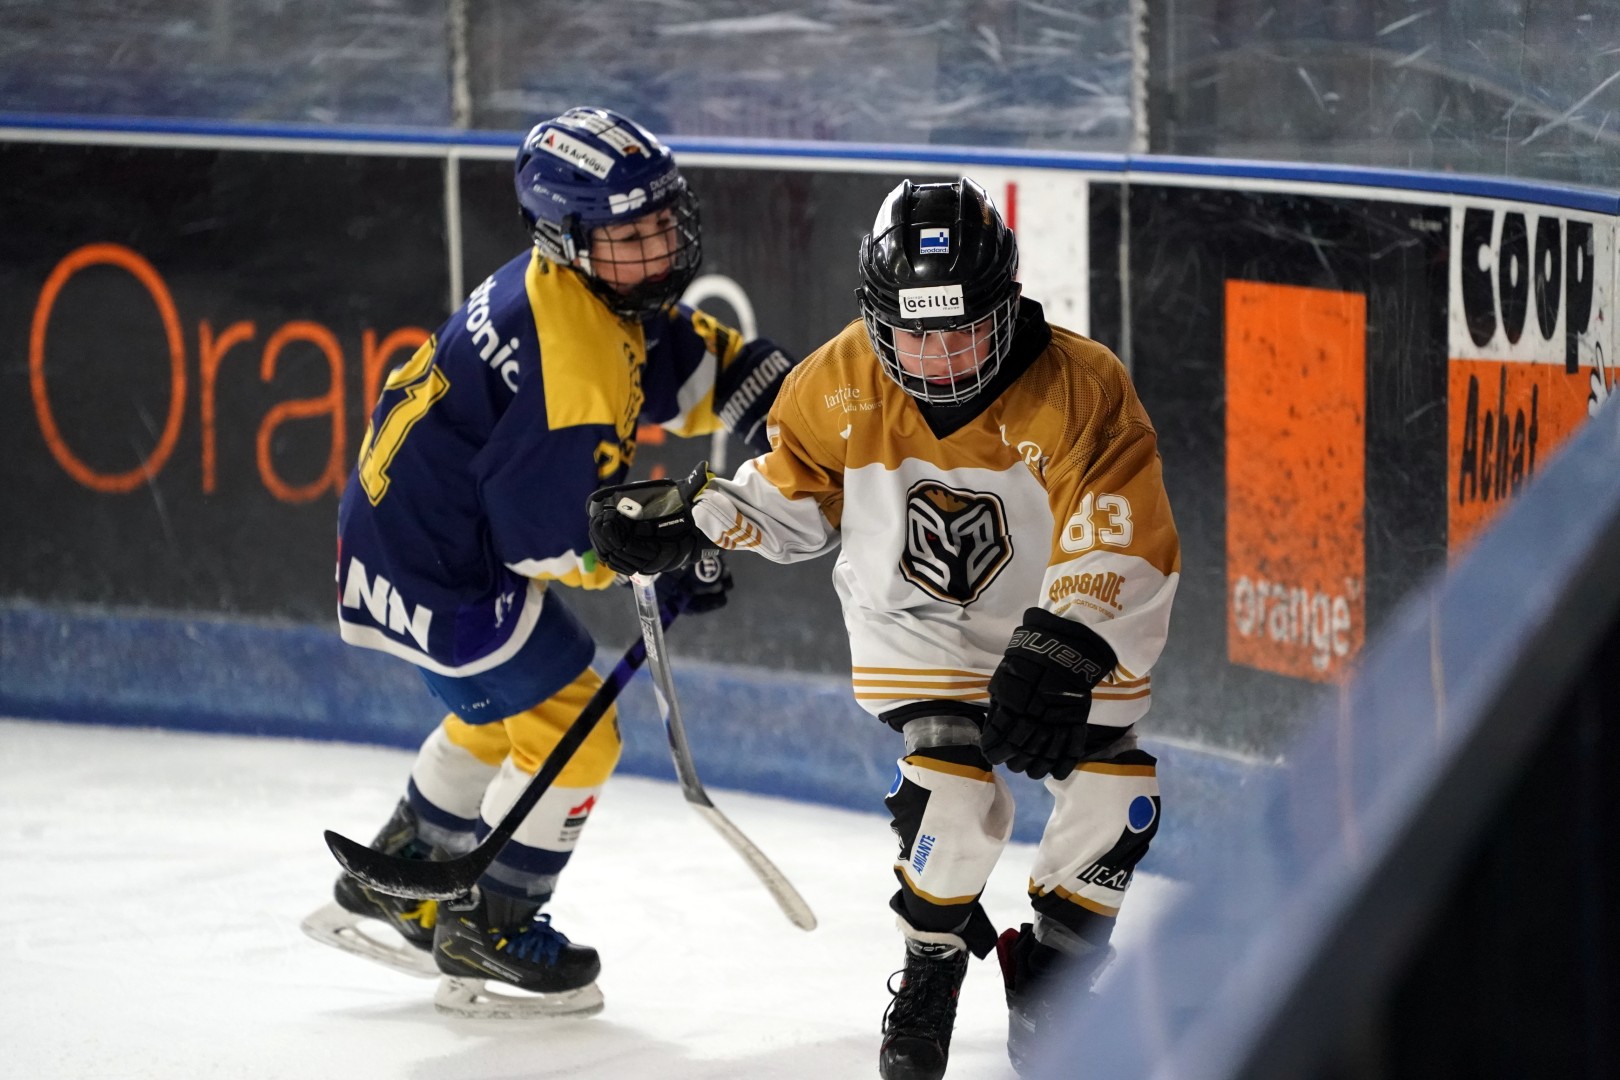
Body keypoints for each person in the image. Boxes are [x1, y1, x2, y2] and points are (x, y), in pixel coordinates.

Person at [587, 177, 1179, 1077]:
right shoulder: (838, 382)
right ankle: (932, 964)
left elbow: (1121, 528)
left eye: (963, 331)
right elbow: (795, 495)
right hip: (920, 627)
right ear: (876, 316)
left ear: (1006, 304)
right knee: (953, 802)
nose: (940, 359)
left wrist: (1062, 643)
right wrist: (696, 517)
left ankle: (1055, 974)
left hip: (1057, 624)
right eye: (915, 335)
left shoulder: (1081, 385)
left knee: (1117, 798)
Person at [301, 106, 797, 1019]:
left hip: (410, 537)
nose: (657, 249)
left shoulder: (575, 290)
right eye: (629, 237)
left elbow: (677, 357)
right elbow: (551, 541)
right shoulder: (572, 364)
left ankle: (405, 869)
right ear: (566, 239)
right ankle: (490, 923)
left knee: (510, 713)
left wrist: (780, 399)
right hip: (441, 568)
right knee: (580, 731)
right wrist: (666, 555)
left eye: (662, 223)